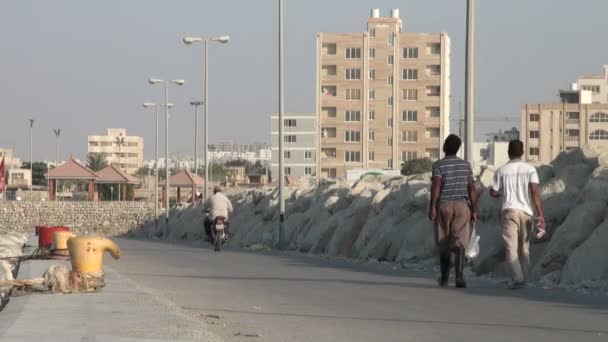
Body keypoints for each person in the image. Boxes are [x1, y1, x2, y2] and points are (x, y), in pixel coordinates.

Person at [490, 140, 545, 289]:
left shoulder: (501, 170)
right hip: (526, 212)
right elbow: (534, 193)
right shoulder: (530, 169)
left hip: (509, 212)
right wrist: (540, 215)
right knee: (524, 248)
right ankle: (524, 279)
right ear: (522, 152)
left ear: (508, 153)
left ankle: (518, 278)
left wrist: (498, 193)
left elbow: (493, 191)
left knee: (511, 247)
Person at [429, 134, 478, 288]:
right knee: (460, 243)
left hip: (444, 205)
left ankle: (444, 278)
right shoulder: (466, 165)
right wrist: (475, 209)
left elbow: (436, 186)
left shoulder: (438, 165)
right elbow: (471, 188)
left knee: (444, 242)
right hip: (462, 206)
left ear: (444, 147)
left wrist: (432, 206)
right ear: (458, 148)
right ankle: (459, 277)